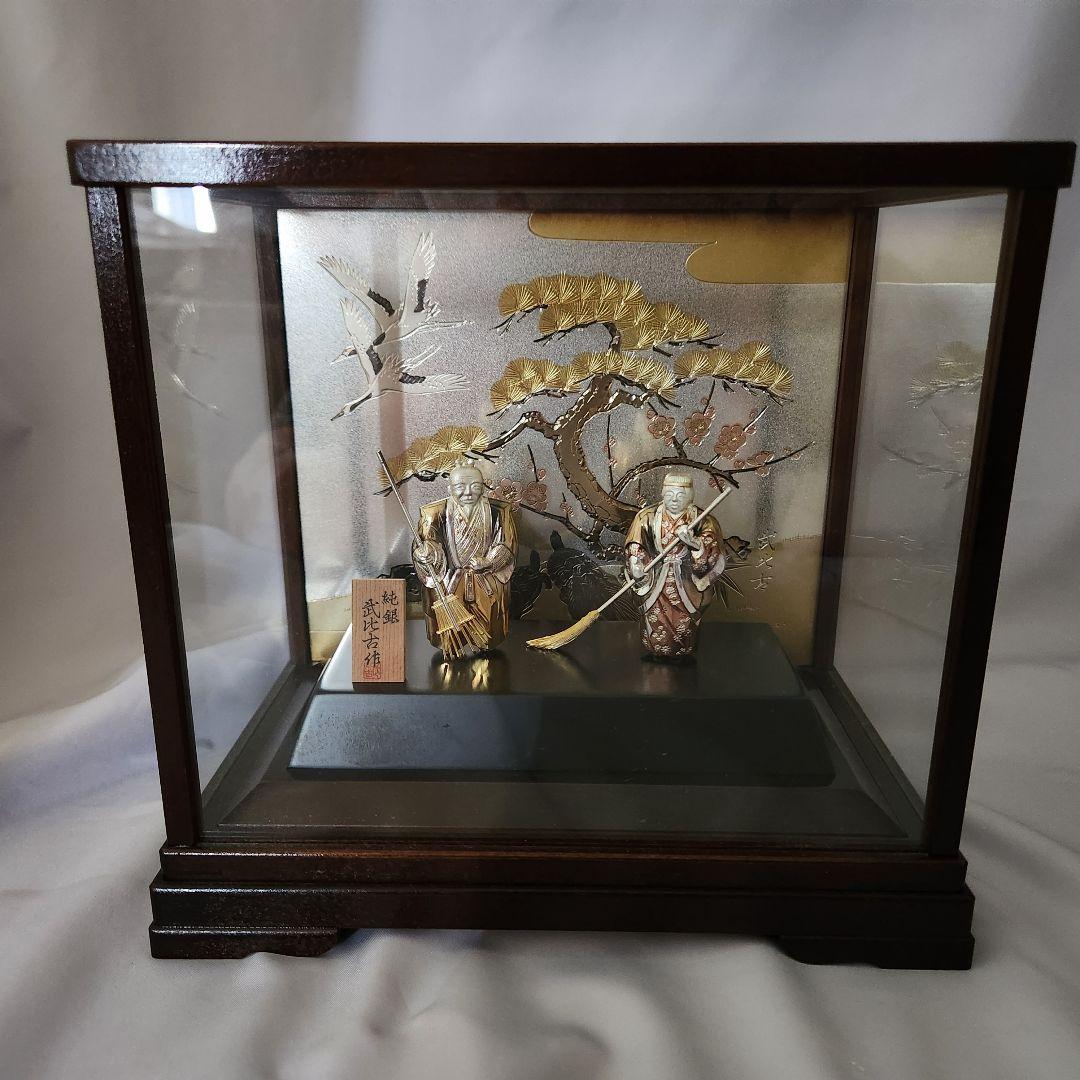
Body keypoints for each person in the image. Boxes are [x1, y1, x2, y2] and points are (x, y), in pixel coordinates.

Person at [412, 461, 517, 654]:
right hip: (450, 583)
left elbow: (506, 543)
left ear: (483, 487)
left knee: (488, 631)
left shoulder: (499, 511)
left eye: (475, 486)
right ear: (450, 488)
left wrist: (489, 561)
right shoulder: (434, 512)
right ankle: (452, 650)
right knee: (449, 630)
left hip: (486, 580)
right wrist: (426, 553)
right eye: (460, 487)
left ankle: (484, 648)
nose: (468, 492)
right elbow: (428, 540)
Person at [624, 470, 726, 659]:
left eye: (680, 495)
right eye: (669, 494)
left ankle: (682, 651)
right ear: (662, 493)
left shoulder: (703, 520)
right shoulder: (646, 517)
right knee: (655, 618)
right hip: (656, 580)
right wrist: (635, 563)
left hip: (687, 583)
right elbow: (635, 544)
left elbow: (714, 553)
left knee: (684, 621)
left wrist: (695, 544)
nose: (674, 499)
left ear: (690, 496)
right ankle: (655, 649)